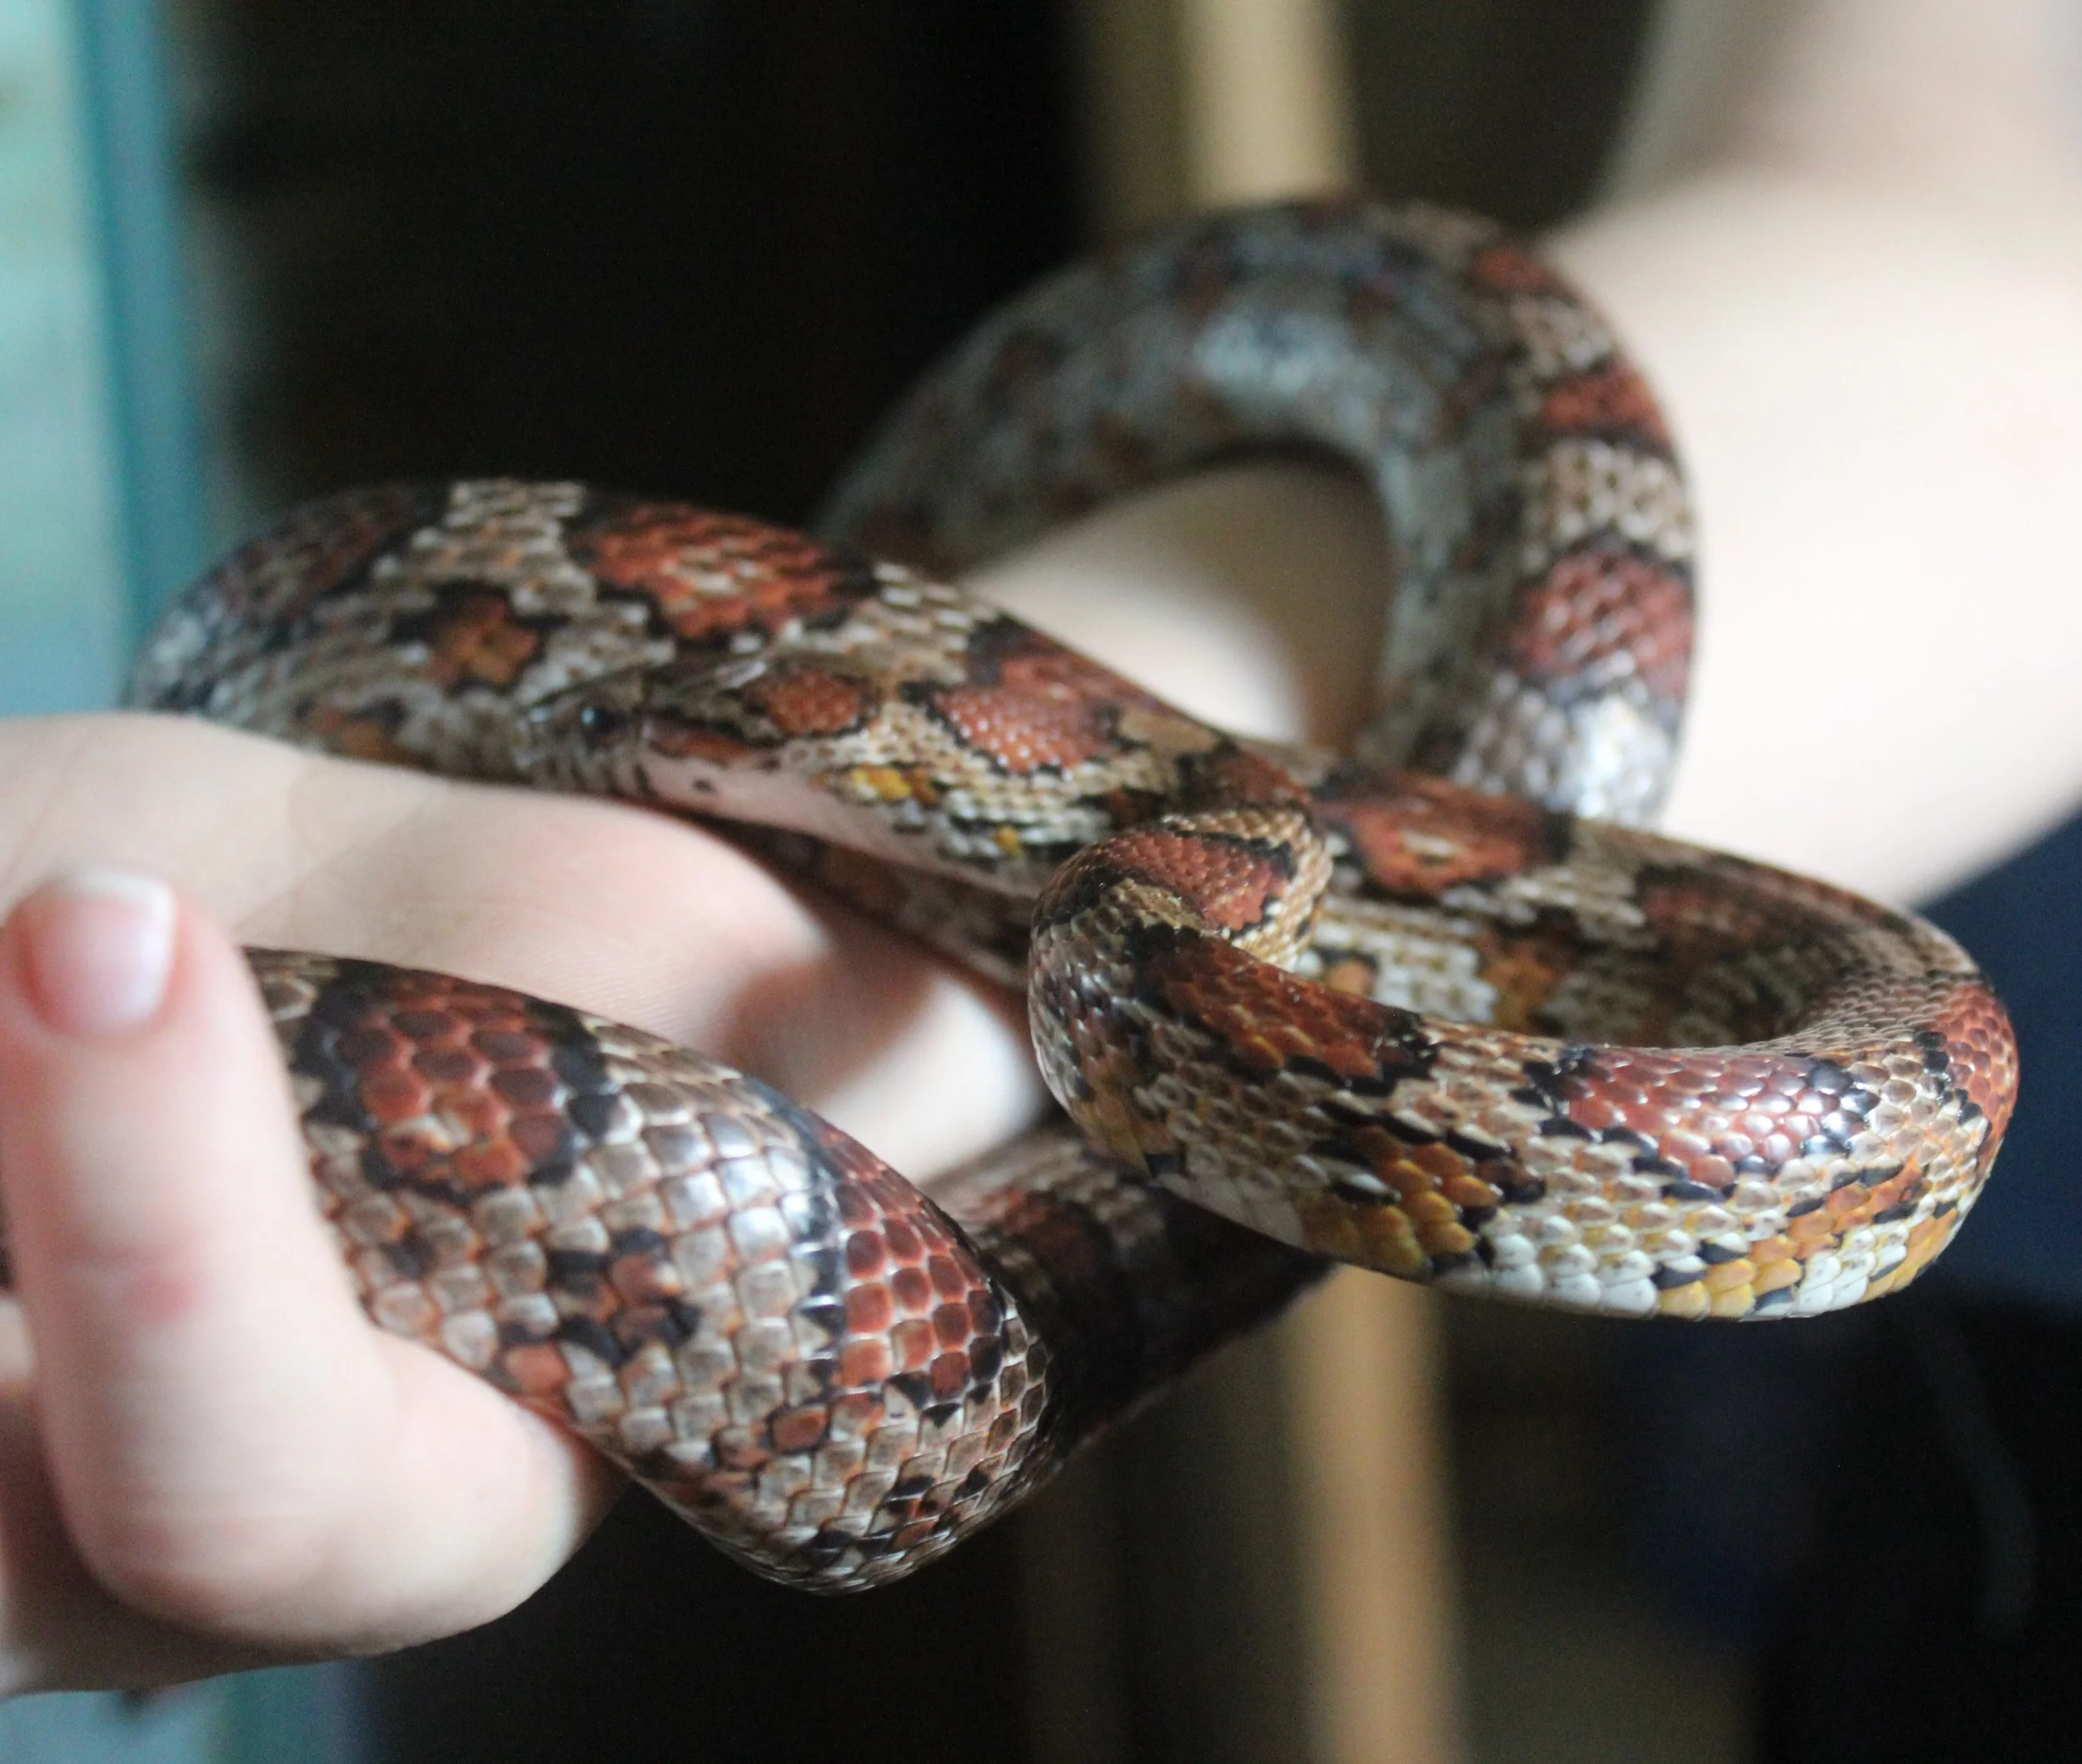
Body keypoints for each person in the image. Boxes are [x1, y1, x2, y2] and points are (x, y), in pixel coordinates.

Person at [5, 0, 2080, 1717]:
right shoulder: (1114, 872)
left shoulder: (1145, 918)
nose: (614, 733)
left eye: (664, 735)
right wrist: (798, 926)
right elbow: (1969, 262)